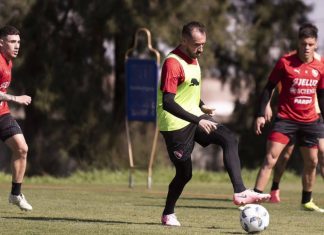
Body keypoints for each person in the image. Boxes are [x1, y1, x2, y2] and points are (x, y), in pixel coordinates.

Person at [157, 21, 270, 227]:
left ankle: (240, 192)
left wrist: (201, 106)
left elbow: (186, 90)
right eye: (196, 45)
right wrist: (198, 119)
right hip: (175, 125)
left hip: (193, 117)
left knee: (228, 137)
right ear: (183, 40)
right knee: (184, 174)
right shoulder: (172, 63)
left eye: (203, 44)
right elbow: (168, 102)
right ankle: (168, 214)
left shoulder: (194, 59)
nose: (200, 49)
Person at [254, 23, 324, 213]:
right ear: (298, 43)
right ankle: (255, 198)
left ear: (316, 44)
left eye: (310, 44)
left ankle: (307, 201)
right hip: (285, 120)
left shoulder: (320, 66)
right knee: (271, 159)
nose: (307, 47)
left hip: (310, 121)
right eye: (303, 44)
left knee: (313, 162)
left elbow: (322, 95)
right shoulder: (285, 62)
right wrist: (261, 113)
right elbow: (268, 87)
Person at [0, 25, 32, 211]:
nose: (17, 46)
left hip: (1, 114)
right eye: (13, 42)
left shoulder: (9, 61)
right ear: (1, 43)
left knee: (22, 148)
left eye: (18, 42)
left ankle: (15, 194)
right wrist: (15, 98)